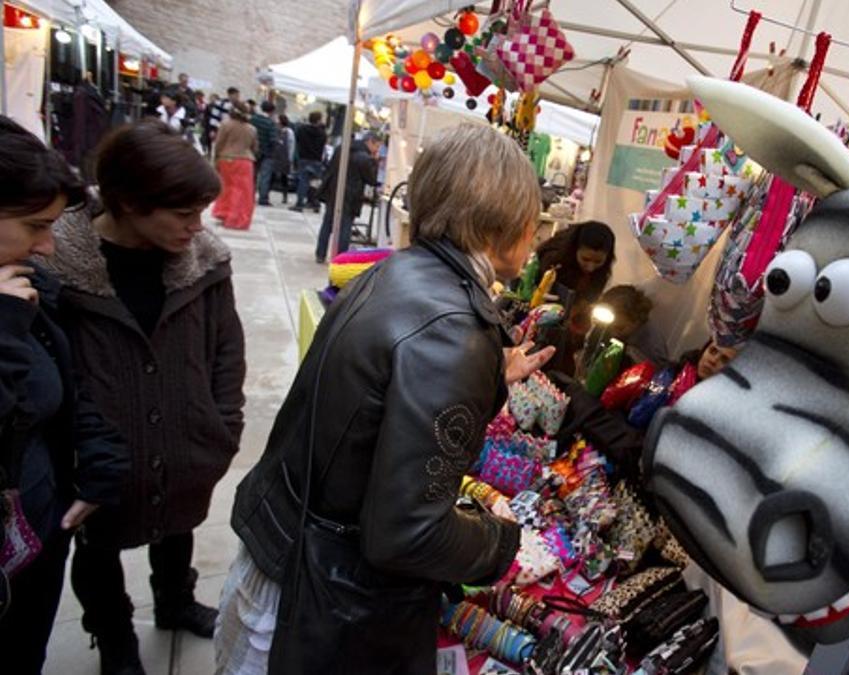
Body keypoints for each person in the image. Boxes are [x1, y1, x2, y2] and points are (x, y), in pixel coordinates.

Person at [218, 125, 553, 675]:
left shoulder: (397, 274)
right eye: (532, 222)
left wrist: (491, 374)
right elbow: (408, 534)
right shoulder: (455, 328)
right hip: (313, 596)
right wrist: (500, 541)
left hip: (283, 551)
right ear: (508, 223)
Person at [43, 121, 247, 675]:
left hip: (186, 438)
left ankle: (176, 601)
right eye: (182, 214)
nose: (196, 226)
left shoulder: (203, 261)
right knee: (97, 546)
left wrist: (223, 423)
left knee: (178, 524)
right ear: (130, 202)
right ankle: (113, 637)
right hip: (100, 452)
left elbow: (227, 348)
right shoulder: (59, 264)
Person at [0, 116, 128, 673]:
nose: (48, 246)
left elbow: (65, 386)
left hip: (36, 536)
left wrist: (96, 462)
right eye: (33, 225)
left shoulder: (29, 286)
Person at [313, 131, 383, 263]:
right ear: (370, 142)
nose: (377, 150)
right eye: (377, 146)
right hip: (351, 196)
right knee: (345, 228)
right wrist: (375, 161)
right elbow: (371, 179)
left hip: (333, 191)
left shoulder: (342, 148)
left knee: (328, 223)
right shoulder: (365, 158)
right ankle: (341, 258)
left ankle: (320, 254)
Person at [535, 221, 616, 308]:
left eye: (598, 262)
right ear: (574, 250)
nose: (590, 268)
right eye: (585, 259)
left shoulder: (601, 273)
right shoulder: (552, 262)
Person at [211, 103, 259, 230]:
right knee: (243, 191)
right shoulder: (252, 129)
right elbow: (254, 147)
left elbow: (219, 143)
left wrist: (216, 158)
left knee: (227, 188)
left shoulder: (226, 124)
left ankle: (224, 213)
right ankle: (237, 218)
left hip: (227, 157)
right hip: (246, 160)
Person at [290, 111, 327, 213]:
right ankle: (315, 203)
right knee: (315, 183)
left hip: (304, 158)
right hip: (316, 160)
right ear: (319, 120)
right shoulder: (322, 133)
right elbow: (323, 145)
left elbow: (297, 140)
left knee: (303, 181)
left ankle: (300, 203)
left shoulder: (301, 129)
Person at [251, 101, 278, 206]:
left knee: (252, 175)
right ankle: (263, 198)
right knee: (265, 176)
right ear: (271, 111)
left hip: (253, 151)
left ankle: (250, 195)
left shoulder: (253, 119)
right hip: (267, 153)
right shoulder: (270, 123)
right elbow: (273, 139)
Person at [204, 87, 240, 159]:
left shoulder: (238, 106)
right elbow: (214, 116)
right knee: (217, 148)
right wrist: (212, 130)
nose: (237, 97)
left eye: (238, 96)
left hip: (231, 131)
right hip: (219, 128)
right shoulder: (220, 103)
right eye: (236, 95)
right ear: (230, 95)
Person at [272, 115, 296, 205]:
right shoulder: (276, 130)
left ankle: (284, 195)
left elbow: (291, 145)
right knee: (273, 175)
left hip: (284, 157)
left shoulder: (289, 132)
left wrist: (290, 158)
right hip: (276, 156)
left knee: (284, 177)